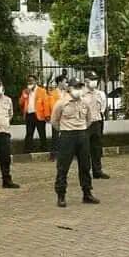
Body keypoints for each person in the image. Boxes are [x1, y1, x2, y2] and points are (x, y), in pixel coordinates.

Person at [50, 77, 99, 207]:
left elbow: (89, 120)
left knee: (85, 166)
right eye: (76, 87)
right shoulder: (61, 103)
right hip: (67, 135)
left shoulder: (85, 102)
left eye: (80, 87)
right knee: (63, 167)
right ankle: (61, 195)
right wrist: (65, 130)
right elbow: (54, 121)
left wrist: (82, 129)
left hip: (82, 134)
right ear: (70, 88)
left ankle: (87, 193)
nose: (78, 90)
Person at [84, 71, 110, 179]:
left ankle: (97, 170)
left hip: (98, 122)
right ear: (86, 80)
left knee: (97, 148)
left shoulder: (100, 94)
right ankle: (85, 172)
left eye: (95, 79)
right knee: (85, 149)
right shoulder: (81, 94)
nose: (94, 81)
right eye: (92, 79)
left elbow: (102, 108)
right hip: (85, 125)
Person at [19, 74, 50, 153]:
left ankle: (44, 149)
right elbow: (20, 103)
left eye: (32, 80)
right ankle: (27, 150)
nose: (30, 82)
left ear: (36, 81)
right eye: (29, 81)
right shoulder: (25, 91)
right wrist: (26, 94)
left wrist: (47, 115)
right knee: (29, 133)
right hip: (29, 114)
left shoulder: (42, 91)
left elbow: (45, 103)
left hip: (39, 115)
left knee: (42, 133)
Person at [49, 75, 68, 160]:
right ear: (60, 82)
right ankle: (54, 155)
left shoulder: (66, 93)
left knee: (65, 136)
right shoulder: (52, 93)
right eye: (65, 82)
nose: (66, 84)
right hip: (57, 117)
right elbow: (53, 106)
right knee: (55, 136)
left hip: (65, 117)